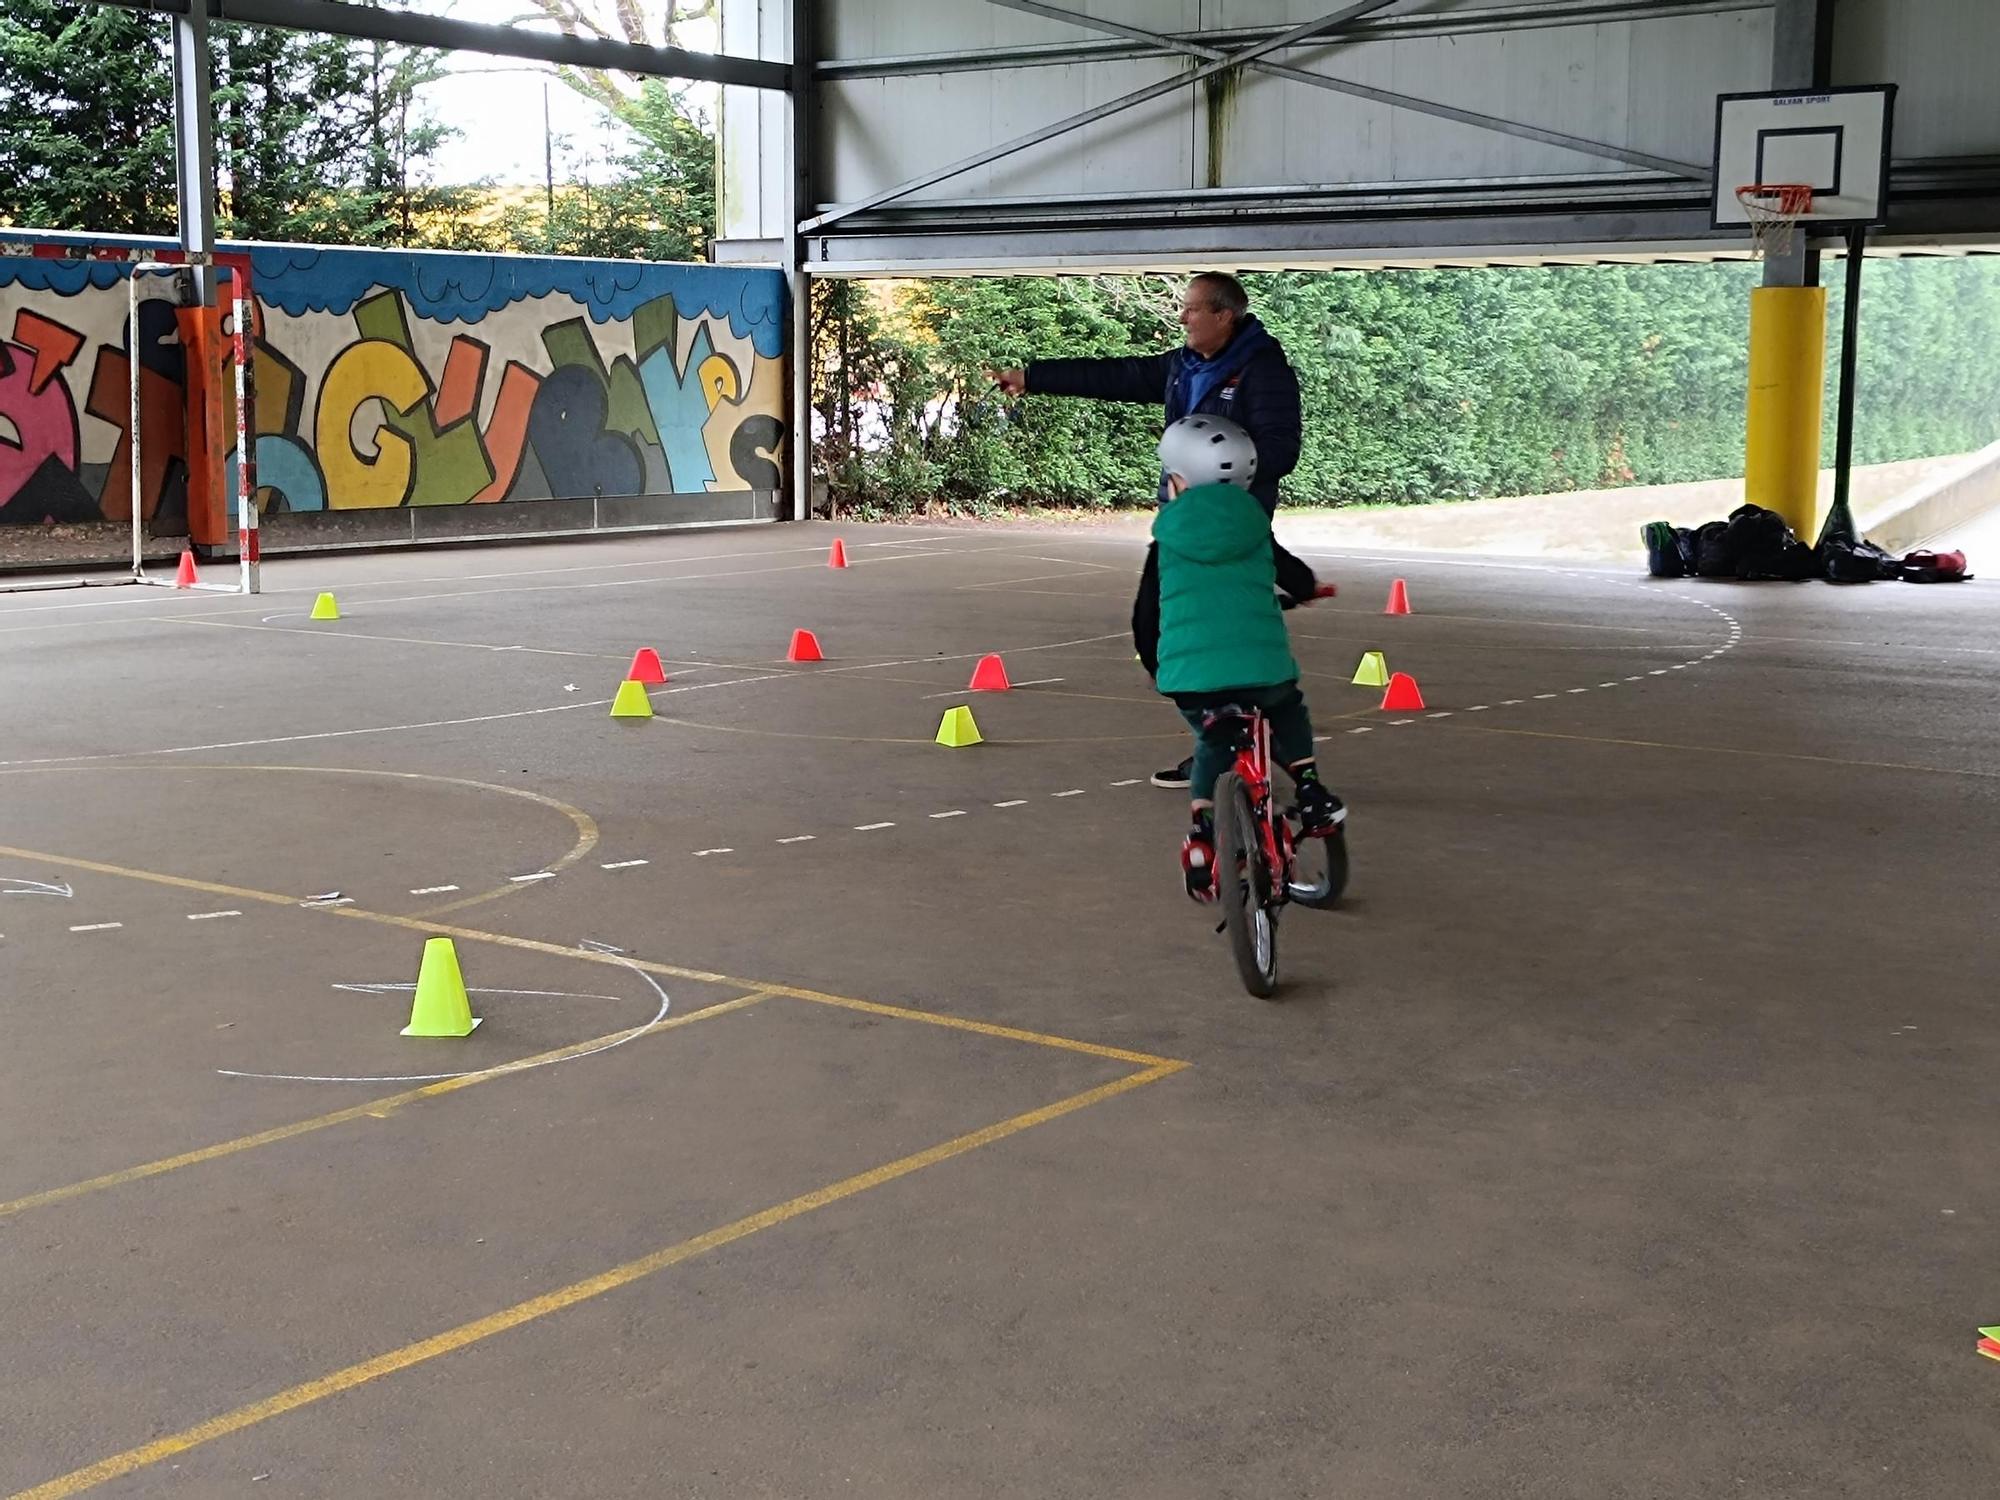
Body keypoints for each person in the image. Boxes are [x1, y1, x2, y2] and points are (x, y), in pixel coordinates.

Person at [992, 272, 1313, 789]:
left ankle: (1231, 746)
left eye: (1192, 309)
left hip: (1234, 523)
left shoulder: (1263, 372)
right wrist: (1033, 377)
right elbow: (1115, 377)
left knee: (1190, 633)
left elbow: (1283, 448)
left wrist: (1220, 470)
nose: (1182, 318)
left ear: (1224, 315)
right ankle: (1230, 740)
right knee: (1159, 631)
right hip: (1184, 525)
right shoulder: (1182, 367)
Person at [1135, 415, 1345, 903]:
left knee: (1212, 737)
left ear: (1179, 481)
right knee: (1287, 707)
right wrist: (1309, 589)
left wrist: (1154, 663)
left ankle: (1204, 833)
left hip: (1192, 678)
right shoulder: (1255, 529)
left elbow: (1146, 613)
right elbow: (1294, 575)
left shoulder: (1165, 543)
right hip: (1261, 669)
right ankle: (1310, 789)